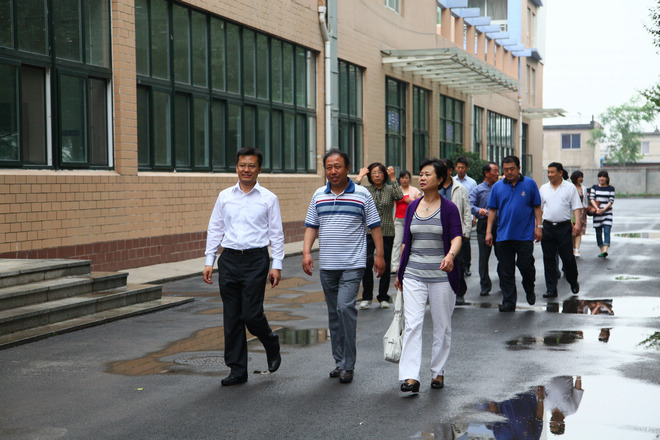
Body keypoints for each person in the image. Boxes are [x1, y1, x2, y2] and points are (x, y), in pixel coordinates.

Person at [302, 149, 385, 384]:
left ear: (347, 168)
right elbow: (311, 226)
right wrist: (306, 252)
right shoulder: (319, 195)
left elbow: (375, 226)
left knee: (345, 308)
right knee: (333, 313)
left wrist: (380, 255)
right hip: (328, 265)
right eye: (329, 167)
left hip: (353, 264)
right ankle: (339, 362)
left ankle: (349, 364)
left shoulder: (362, 194)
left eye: (337, 166)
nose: (333, 171)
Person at [202, 147, 283, 386]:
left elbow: (276, 234)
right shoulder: (225, 196)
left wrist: (276, 264)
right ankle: (237, 370)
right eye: (242, 165)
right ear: (236, 167)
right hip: (229, 260)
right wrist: (209, 261)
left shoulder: (269, 198)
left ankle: (270, 341)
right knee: (232, 316)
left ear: (259, 169)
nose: (246, 170)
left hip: (256, 260)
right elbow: (215, 228)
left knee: (251, 314)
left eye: (251, 166)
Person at [394, 159, 463, 393]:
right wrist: (400, 272)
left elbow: (457, 237)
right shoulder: (412, 207)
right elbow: (406, 242)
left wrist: (450, 256)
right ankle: (411, 376)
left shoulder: (449, 208)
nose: (422, 178)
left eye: (428, 174)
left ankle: (438, 371)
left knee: (442, 326)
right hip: (414, 274)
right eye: (421, 174)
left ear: (440, 179)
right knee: (413, 324)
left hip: (442, 276)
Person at [486, 156, 542, 312]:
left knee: (526, 265)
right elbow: (492, 210)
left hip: (524, 235)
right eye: (506, 170)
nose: (509, 172)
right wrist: (489, 232)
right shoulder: (497, 187)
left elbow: (537, 207)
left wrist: (539, 227)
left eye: (512, 169)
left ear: (519, 168)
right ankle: (509, 301)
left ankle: (529, 287)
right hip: (503, 235)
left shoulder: (530, 184)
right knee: (505, 270)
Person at [354, 163, 403, 309]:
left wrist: (393, 178)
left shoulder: (390, 189)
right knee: (367, 263)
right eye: (374, 173)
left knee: (385, 264)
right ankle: (367, 297)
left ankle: (383, 296)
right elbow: (352, 192)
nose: (377, 175)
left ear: (384, 175)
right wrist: (359, 177)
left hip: (386, 231)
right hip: (368, 231)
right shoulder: (366, 190)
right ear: (370, 176)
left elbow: (399, 196)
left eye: (380, 172)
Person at [539, 162, 582, 298]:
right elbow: (539, 209)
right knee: (549, 259)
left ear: (560, 173)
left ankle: (573, 280)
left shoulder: (569, 188)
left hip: (564, 227)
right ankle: (551, 289)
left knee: (568, 258)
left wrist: (577, 224)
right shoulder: (544, 188)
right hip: (547, 227)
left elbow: (576, 206)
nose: (549, 175)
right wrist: (538, 226)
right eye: (548, 172)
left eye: (552, 172)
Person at [439, 158, 472, 305]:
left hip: (456, 232)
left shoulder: (459, 188)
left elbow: (466, 211)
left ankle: (459, 292)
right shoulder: (435, 187)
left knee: (458, 263)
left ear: (450, 170)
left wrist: (466, 232)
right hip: (439, 231)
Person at [469, 161, 500, 296]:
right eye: (495, 171)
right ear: (486, 173)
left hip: (500, 224)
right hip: (483, 224)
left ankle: (504, 280)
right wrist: (478, 210)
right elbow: (469, 205)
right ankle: (485, 285)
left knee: (502, 255)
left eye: (498, 171)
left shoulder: (501, 188)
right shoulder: (478, 189)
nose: (497, 174)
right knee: (484, 256)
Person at [391, 170, 421, 273]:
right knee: (397, 242)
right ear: (399, 179)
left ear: (409, 179)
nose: (404, 180)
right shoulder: (396, 190)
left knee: (411, 242)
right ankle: (395, 266)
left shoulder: (414, 190)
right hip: (398, 220)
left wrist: (412, 200)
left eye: (407, 178)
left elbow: (421, 202)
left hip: (411, 220)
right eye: (403, 178)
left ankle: (409, 263)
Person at [455, 157, 477, 278]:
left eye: (462, 167)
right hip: (455, 215)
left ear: (466, 168)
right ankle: (458, 266)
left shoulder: (472, 183)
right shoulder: (453, 181)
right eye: (458, 167)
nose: (460, 170)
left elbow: (473, 201)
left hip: (466, 215)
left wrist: (473, 217)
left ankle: (467, 265)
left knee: (465, 241)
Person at [590, 170, 615, 258]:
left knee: (607, 231)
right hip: (597, 213)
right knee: (598, 233)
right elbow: (592, 198)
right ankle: (601, 250)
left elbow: (611, 200)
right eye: (600, 177)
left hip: (607, 213)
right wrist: (597, 209)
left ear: (607, 178)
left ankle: (605, 250)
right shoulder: (594, 187)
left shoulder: (611, 188)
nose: (602, 178)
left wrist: (604, 209)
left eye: (604, 177)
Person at [570, 171, 589, 257]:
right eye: (579, 177)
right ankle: (573, 248)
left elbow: (585, 201)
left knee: (579, 231)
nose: (581, 179)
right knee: (571, 231)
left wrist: (586, 209)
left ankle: (577, 249)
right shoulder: (570, 188)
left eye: (582, 177)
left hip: (581, 212)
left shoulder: (583, 188)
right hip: (572, 211)